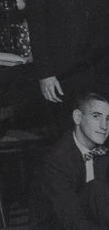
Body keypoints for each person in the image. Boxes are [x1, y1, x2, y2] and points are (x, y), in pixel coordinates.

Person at [33, 90, 109, 230]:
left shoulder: (104, 151)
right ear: (78, 117)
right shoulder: (56, 160)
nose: (104, 126)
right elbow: (71, 220)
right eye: (96, 116)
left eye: (108, 119)